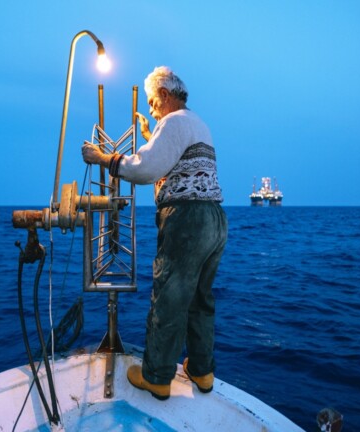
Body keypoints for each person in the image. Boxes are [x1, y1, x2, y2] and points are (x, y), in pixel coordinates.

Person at [82, 66, 227, 400]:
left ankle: (158, 377)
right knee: (201, 300)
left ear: (164, 94)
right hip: (215, 219)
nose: (150, 109)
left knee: (169, 298)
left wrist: (103, 158)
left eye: (151, 102)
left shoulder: (173, 123)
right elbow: (175, 159)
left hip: (187, 221)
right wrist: (151, 137)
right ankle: (202, 372)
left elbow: (146, 169)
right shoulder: (198, 123)